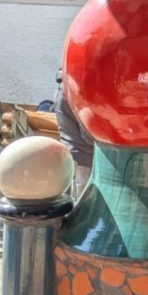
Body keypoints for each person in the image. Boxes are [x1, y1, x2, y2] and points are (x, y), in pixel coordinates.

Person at [54, 69, 93, 199]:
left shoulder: (64, 87)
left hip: (75, 156)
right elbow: (89, 136)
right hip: (85, 159)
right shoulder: (78, 91)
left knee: (77, 197)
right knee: (84, 201)